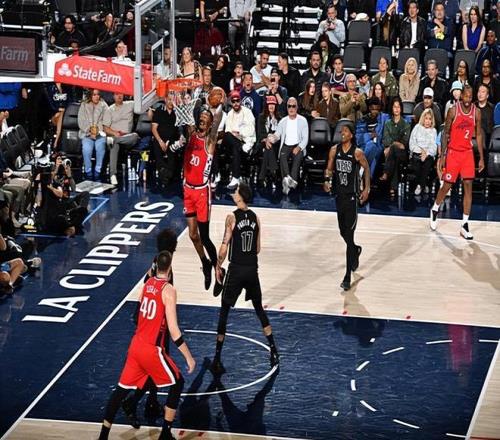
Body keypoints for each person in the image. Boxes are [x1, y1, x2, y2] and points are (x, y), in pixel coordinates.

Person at [98, 251, 195, 440]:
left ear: (156, 265)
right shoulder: (169, 290)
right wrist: (188, 357)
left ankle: (103, 436)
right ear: (170, 267)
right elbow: (174, 330)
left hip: (135, 346)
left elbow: (138, 315)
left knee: (120, 391)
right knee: (178, 383)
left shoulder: (147, 284)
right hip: (151, 349)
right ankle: (165, 434)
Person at [210, 182, 279, 374]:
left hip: (237, 269)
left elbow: (224, 246)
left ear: (240, 197)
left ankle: (217, 358)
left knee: (224, 311)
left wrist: (218, 265)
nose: (234, 193)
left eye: (236, 191)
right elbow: (257, 248)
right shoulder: (256, 218)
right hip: (252, 269)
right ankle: (274, 350)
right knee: (259, 309)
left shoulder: (231, 217)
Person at [430, 85, 485, 239]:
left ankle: (465, 225)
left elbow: (478, 134)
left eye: (470, 97)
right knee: (447, 185)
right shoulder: (453, 110)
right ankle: (435, 208)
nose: (468, 99)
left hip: (467, 153)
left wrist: (481, 157)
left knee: (468, 186)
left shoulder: (476, 112)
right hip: (453, 152)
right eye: (465, 96)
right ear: (461, 96)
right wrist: (442, 156)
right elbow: (445, 133)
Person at [324, 124, 370, 291]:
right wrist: (327, 181)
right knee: (343, 232)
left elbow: (366, 168)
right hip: (339, 196)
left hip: (352, 198)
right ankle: (355, 250)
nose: (342, 133)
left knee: (349, 235)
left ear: (351, 135)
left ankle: (347, 276)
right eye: (341, 131)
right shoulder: (334, 150)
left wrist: (366, 189)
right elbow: (329, 169)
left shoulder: (357, 153)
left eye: (345, 131)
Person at [183, 108, 224, 292]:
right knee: (193, 235)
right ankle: (205, 263)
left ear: (210, 122)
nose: (202, 118)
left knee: (205, 237)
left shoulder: (210, 140)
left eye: (206, 117)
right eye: (201, 116)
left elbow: (217, 122)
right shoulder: (191, 134)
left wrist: (220, 104)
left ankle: (218, 271)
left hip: (201, 192)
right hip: (187, 189)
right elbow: (186, 115)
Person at [270, 97, 309, 194]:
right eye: (289, 106)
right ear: (287, 108)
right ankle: (289, 180)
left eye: (293, 106)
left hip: (298, 145)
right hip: (286, 145)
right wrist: (272, 138)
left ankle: (289, 181)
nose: (291, 108)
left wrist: (299, 147)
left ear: (297, 107)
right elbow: (277, 135)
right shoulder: (283, 121)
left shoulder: (303, 120)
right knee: (282, 156)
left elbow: (305, 138)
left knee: (297, 157)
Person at [222, 89, 256, 189]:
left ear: (240, 101)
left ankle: (235, 178)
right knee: (228, 136)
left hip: (245, 141)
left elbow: (251, 130)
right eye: (233, 101)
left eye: (237, 101)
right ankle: (241, 147)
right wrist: (236, 135)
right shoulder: (229, 114)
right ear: (231, 103)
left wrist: (239, 132)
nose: (236, 103)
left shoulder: (247, 112)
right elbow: (228, 132)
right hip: (237, 143)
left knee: (235, 149)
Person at [103, 93, 138, 186]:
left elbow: (142, 104)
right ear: (113, 96)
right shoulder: (109, 110)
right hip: (114, 136)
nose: (119, 96)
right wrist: (114, 133)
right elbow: (105, 128)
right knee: (114, 145)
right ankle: (112, 175)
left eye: (121, 94)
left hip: (127, 138)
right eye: (117, 94)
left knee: (135, 136)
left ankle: (116, 140)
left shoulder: (131, 104)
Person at [380, 97, 411, 196]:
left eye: (398, 107)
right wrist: (394, 144)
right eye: (394, 107)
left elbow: (404, 144)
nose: (396, 109)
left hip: (403, 154)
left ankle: (386, 172)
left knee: (393, 149)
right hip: (393, 154)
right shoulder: (388, 123)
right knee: (395, 156)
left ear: (401, 108)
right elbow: (385, 140)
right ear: (392, 109)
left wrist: (392, 145)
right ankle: (393, 188)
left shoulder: (406, 124)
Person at [77, 89, 108, 180]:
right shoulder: (84, 105)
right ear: (90, 96)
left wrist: (98, 131)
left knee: (100, 147)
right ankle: (88, 170)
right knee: (86, 149)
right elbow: (81, 121)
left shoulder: (104, 105)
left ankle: (98, 170)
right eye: (94, 95)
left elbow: (107, 121)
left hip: (100, 134)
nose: (96, 97)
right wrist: (89, 131)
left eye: (98, 94)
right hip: (87, 134)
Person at [409, 108, 438, 195]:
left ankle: (419, 185)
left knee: (427, 165)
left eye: (430, 119)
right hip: (416, 153)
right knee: (417, 165)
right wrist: (421, 151)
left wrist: (426, 153)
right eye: (426, 118)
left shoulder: (434, 131)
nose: (428, 121)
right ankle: (423, 184)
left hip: (429, 154)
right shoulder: (417, 128)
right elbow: (412, 143)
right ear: (423, 119)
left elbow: (434, 147)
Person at [257, 95, 281, 185]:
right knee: (268, 147)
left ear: (276, 106)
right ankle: (273, 170)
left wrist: (272, 139)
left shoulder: (279, 118)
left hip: (275, 143)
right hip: (263, 142)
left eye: (273, 104)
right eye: (269, 104)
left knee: (269, 148)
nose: (271, 106)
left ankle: (262, 176)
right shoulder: (261, 117)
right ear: (266, 105)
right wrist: (266, 139)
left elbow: (280, 133)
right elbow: (260, 134)